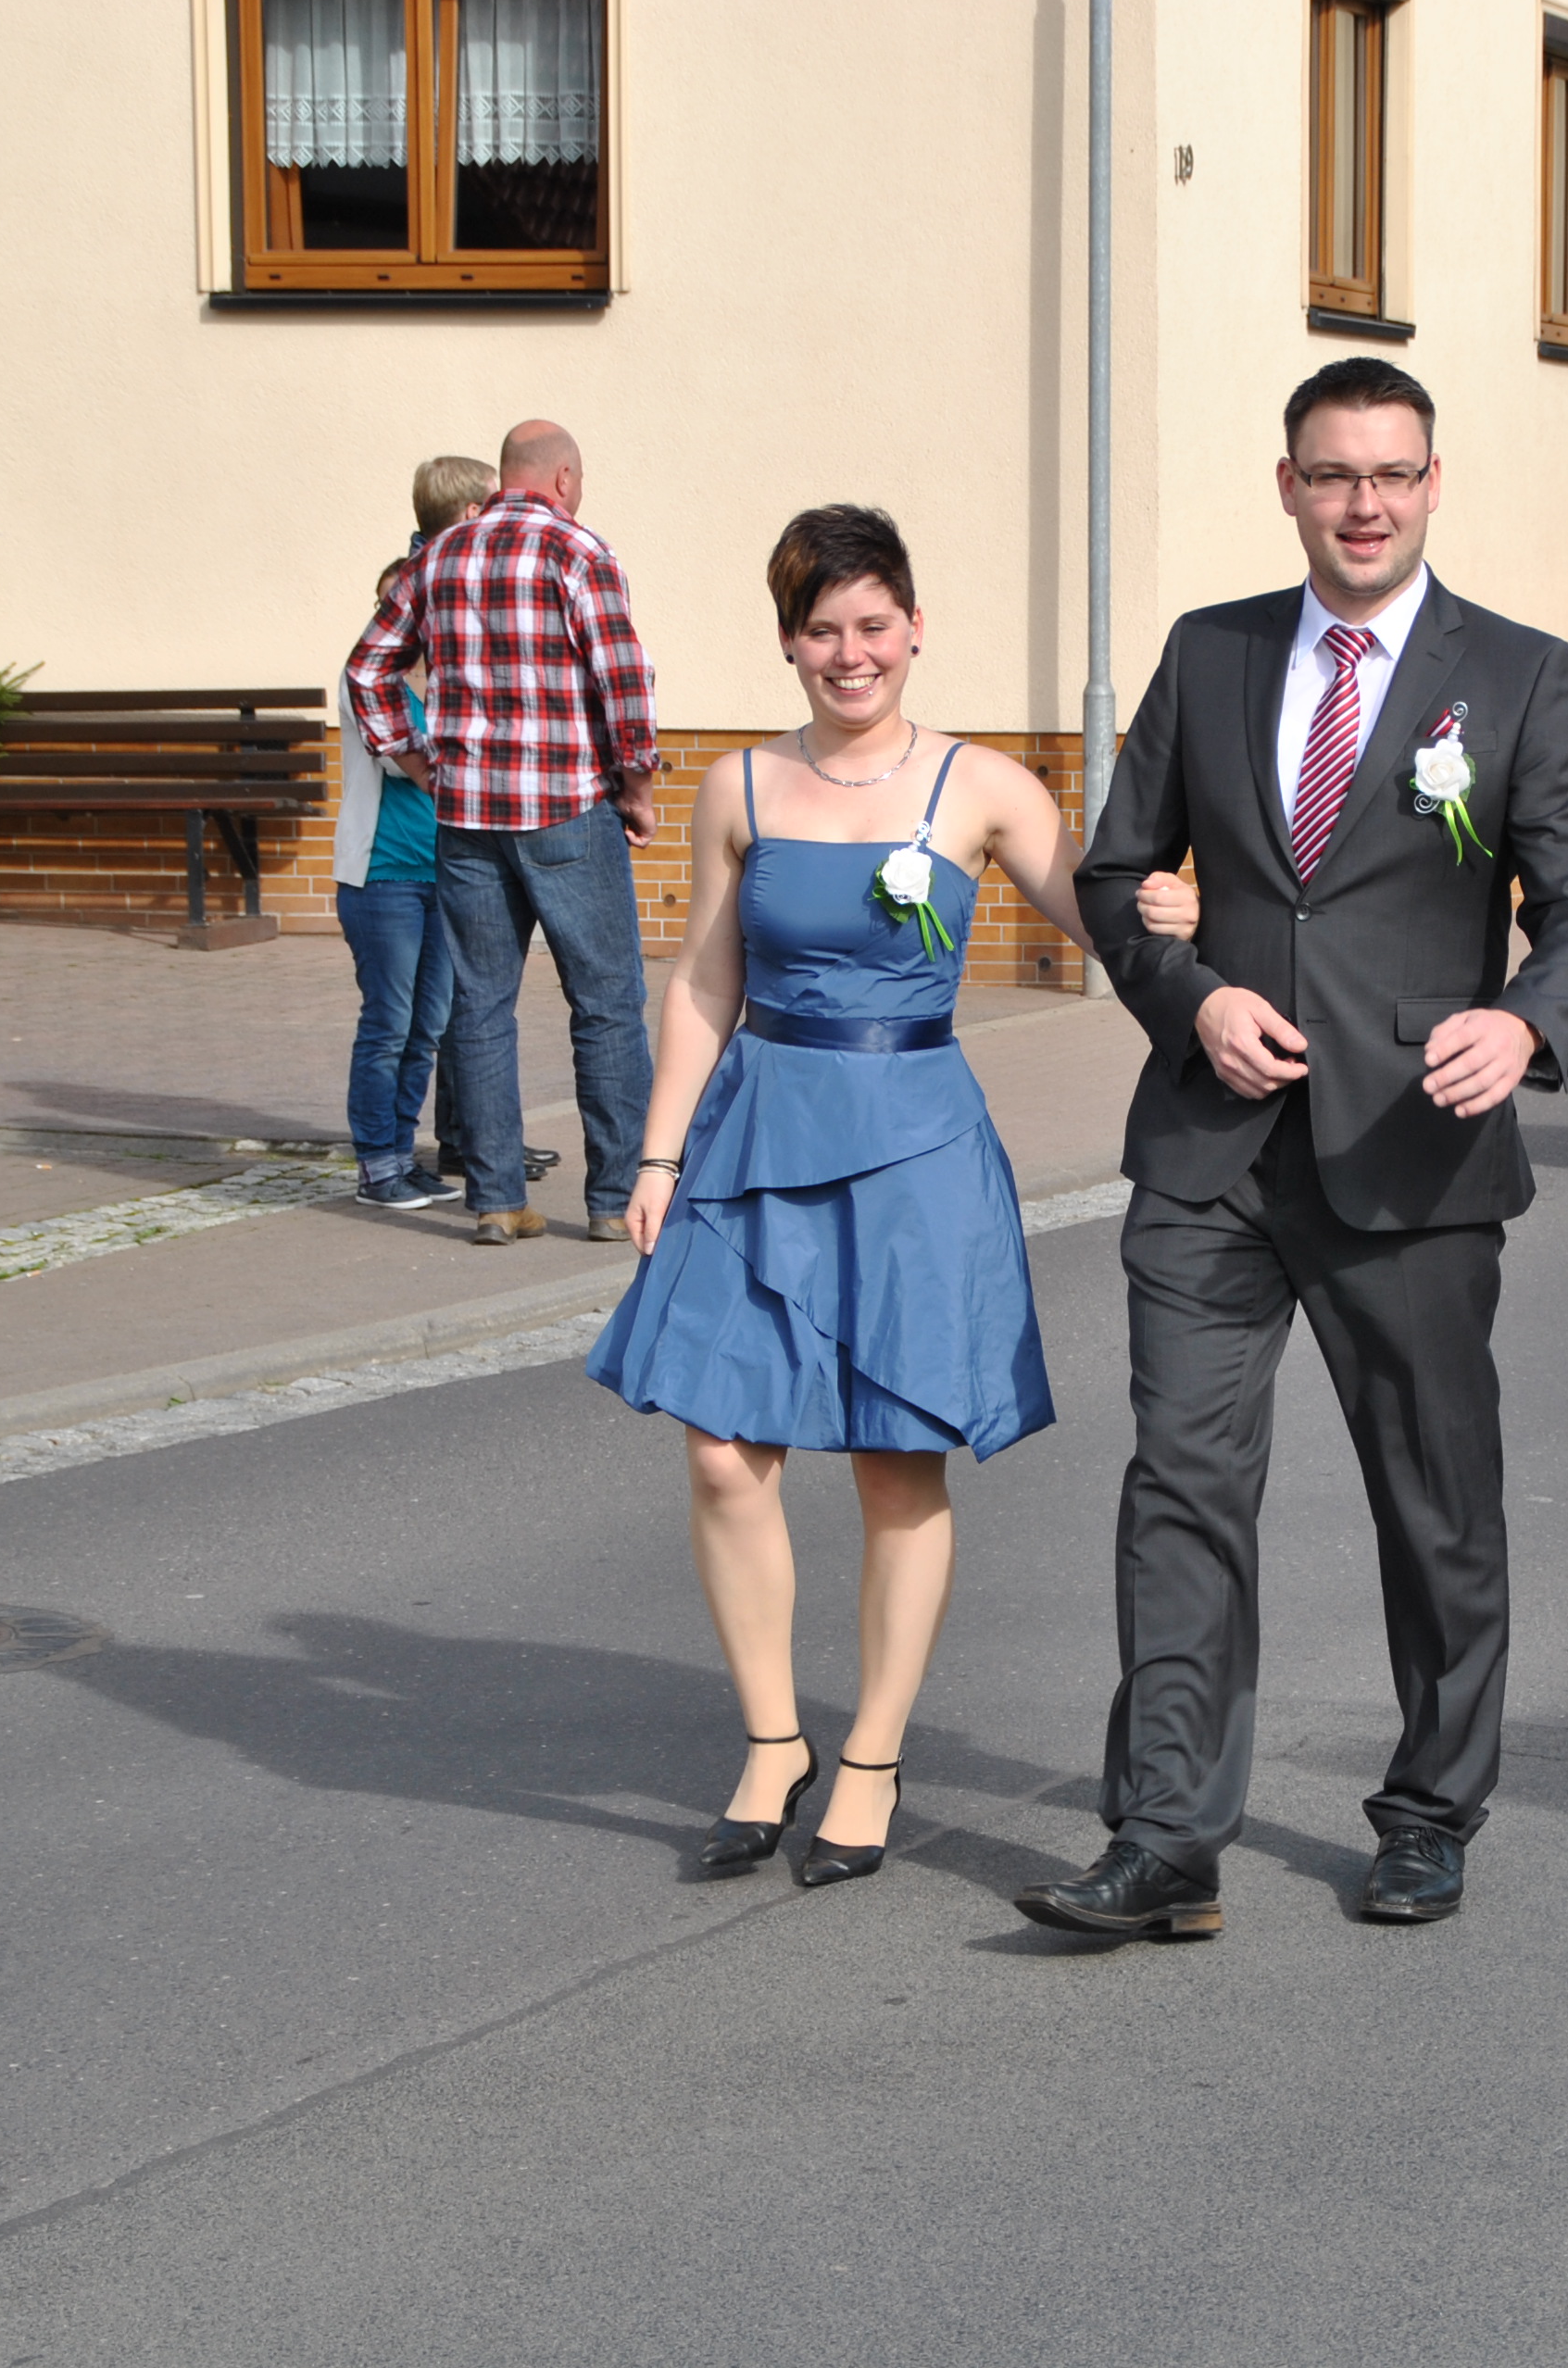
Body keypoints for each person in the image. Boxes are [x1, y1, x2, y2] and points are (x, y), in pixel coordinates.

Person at [1029, 356, 1568, 1941]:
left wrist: (1528, 1023)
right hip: (1212, 1152)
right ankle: (1166, 1835)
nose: (1364, 503)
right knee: (1182, 1485)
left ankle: (1430, 1808)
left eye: (1391, 473)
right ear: (1288, 486)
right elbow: (1114, 875)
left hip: (1414, 1149)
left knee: (1434, 1500)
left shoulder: (1516, 674)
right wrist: (1192, 995)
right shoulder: (1210, 651)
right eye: (1334, 474)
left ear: (1432, 484)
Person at [584, 504, 1191, 1889]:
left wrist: (1174, 913)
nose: (849, 654)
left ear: (915, 626)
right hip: (754, 1135)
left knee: (894, 1460)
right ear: (787, 641)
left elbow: (1099, 916)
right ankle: (771, 1739)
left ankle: (870, 1754)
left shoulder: (984, 786)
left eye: (872, 625)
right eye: (821, 631)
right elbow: (702, 981)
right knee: (720, 1449)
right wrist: (657, 1155)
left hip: (915, 1149)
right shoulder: (739, 786)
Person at [346, 420, 657, 1245]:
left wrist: (416, 761)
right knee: (607, 1006)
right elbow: (623, 676)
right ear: (563, 479)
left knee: (481, 1009)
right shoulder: (577, 550)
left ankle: (494, 1200)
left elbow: (367, 669)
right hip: (567, 808)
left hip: (467, 818)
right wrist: (639, 785)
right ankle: (612, 1200)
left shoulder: (438, 557)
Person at [332, 545, 461, 1210]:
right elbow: (396, 758)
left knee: (427, 1026)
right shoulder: (366, 680)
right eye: (390, 603)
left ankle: (403, 1156)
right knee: (388, 1023)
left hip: (445, 876)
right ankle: (375, 1163)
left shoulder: (450, 679)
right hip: (382, 877)